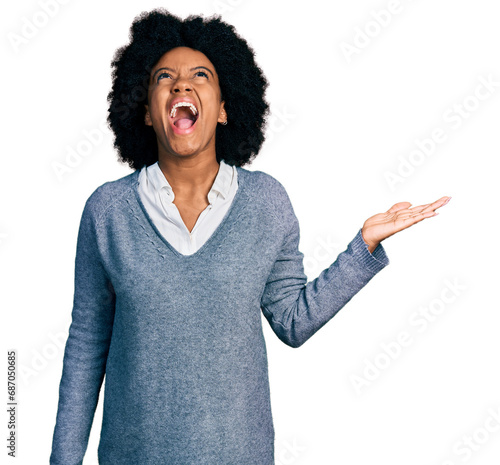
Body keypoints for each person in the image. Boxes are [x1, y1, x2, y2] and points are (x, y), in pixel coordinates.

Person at [49, 8, 450, 465]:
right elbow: (86, 346)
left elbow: (293, 321)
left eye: (200, 75)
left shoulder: (266, 202)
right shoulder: (108, 211)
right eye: (165, 77)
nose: (182, 85)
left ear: (223, 108)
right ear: (144, 110)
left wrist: (365, 245)